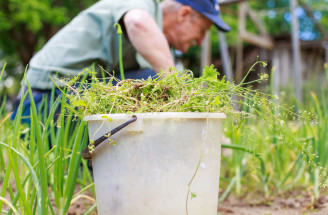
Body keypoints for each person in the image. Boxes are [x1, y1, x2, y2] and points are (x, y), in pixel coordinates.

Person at [12, 0, 230, 123]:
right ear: (183, 14)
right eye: (201, 30)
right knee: (153, 83)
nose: (201, 41)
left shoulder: (153, 48)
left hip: (63, 104)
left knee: (148, 82)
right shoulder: (142, 5)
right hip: (40, 105)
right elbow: (137, 22)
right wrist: (180, 89)